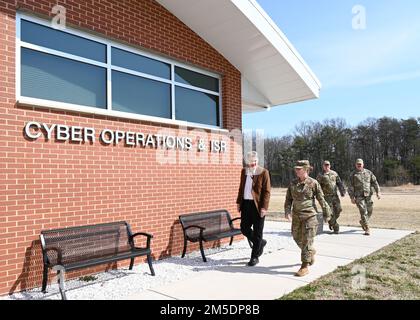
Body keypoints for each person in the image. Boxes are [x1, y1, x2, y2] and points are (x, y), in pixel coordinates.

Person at [284, 160, 331, 277]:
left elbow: (321, 199)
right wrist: (287, 211)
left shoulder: (313, 183)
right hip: (296, 216)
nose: (296, 171)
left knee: (307, 241)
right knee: (296, 237)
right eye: (296, 169)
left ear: (306, 169)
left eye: (299, 169)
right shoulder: (293, 183)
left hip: (310, 216)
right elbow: (288, 199)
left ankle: (304, 266)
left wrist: (327, 213)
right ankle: (310, 252)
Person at [236, 151, 271, 266]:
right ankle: (260, 243)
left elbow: (267, 192)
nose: (253, 164)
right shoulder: (243, 171)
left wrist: (264, 207)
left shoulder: (263, 172)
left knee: (257, 232)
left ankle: (254, 257)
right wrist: (238, 202)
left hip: (258, 206)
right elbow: (241, 188)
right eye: (251, 161)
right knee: (244, 228)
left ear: (257, 161)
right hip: (246, 204)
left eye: (255, 161)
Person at [348, 159, 381, 235]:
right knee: (363, 211)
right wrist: (352, 197)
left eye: (360, 164)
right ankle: (367, 228)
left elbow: (375, 182)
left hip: (368, 195)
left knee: (370, 211)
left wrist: (378, 192)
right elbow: (350, 187)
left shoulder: (369, 173)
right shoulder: (353, 174)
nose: (359, 165)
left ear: (363, 164)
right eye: (357, 164)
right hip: (359, 196)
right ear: (356, 165)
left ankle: (363, 221)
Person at [316, 160, 346, 234]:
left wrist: (342, 191)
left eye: (328, 165)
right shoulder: (320, 175)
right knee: (330, 213)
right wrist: (318, 195)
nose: (327, 166)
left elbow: (339, 183)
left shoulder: (334, 173)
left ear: (330, 165)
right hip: (326, 197)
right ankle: (336, 227)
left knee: (339, 210)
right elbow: (317, 186)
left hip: (335, 196)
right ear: (323, 166)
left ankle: (331, 222)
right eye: (325, 165)